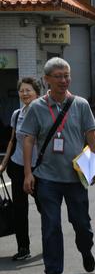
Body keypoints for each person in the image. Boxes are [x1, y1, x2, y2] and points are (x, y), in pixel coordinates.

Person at [21, 58, 95, 274]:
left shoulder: (80, 104)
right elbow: (28, 140)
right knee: (51, 225)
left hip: (76, 177)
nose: (64, 80)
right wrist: (28, 173)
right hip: (47, 177)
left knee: (81, 224)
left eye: (67, 75)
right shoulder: (37, 107)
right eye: (58, 76)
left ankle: (86, 250)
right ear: (46, 80)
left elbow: (91, 135)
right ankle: (53, 271)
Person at [0, 77, 42, 260]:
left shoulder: (43, 113)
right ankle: (23, 248)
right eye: (22, 90)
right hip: (17, 167)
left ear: (36, 93)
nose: (24, 94)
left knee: (45, 207)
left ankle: (50, 243)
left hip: (39, 168)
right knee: (19, 209)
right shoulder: (17, 114)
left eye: (28, 90)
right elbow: (12, 140)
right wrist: (3, 163)